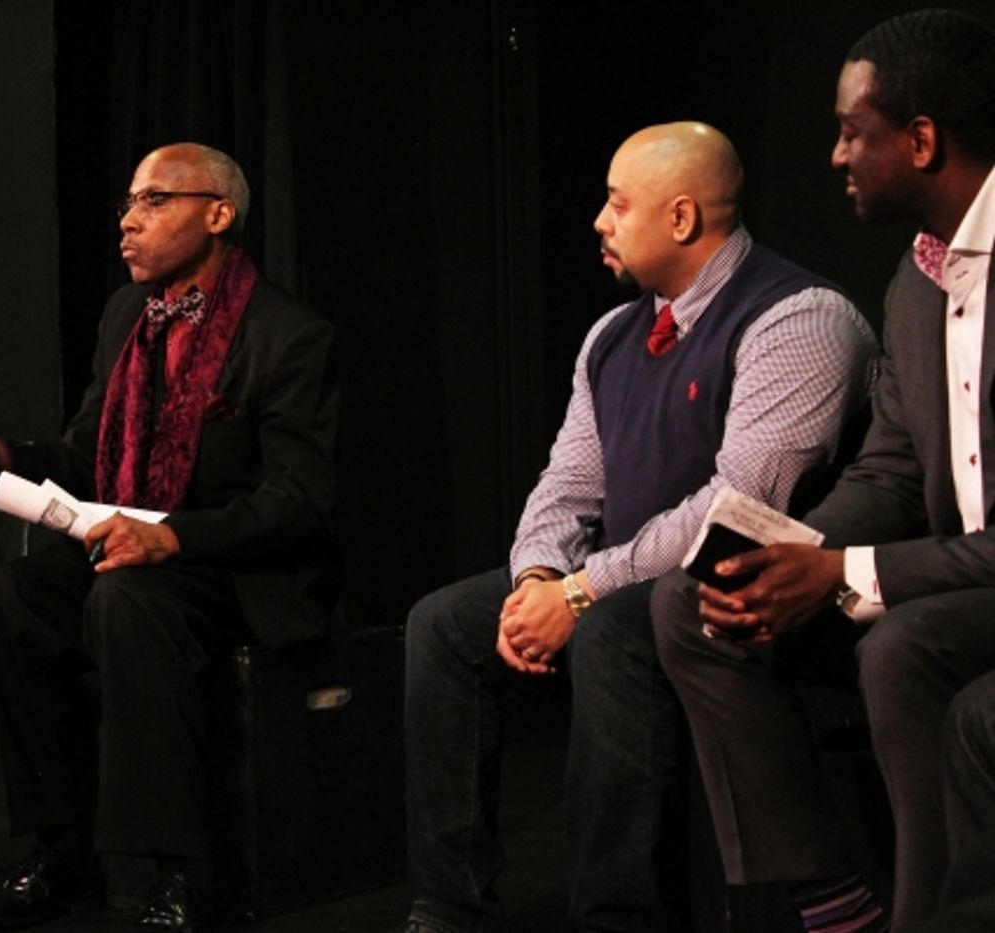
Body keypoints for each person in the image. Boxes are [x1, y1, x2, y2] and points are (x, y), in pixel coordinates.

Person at [402, 121, 876, 933]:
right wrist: (539, 579)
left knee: (614, 629)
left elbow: (739, 503)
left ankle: (617, 917)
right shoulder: (612, 334)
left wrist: (583, 591)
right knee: (443, 625)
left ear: (683, 217)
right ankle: (449, 907)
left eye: (619, 204)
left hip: (753, 592)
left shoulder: (801, 318)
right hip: (618, 578)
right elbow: (569, 482)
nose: (599, 220)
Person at [0, 142, 338, 932]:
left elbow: (298, 501)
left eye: (152, 202)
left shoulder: (288, 333)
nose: (127, 225)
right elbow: (84, 456)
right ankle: (59, 851)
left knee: (126, 600)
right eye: (126, 205)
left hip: (232, 568)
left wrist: (174, 540)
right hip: (129, 555)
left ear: (218, 214)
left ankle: (179, 868)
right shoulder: (126, 318)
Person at [651, 10, 995, 931]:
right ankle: (831, 894)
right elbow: (888, 468)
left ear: (921, 140)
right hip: (948, 577)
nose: (836, 156)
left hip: (968, 586)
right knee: (693, 602)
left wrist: (841, 573)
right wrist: (781, 552)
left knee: (900, 649)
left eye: (852, 132)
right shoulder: (918, 280)